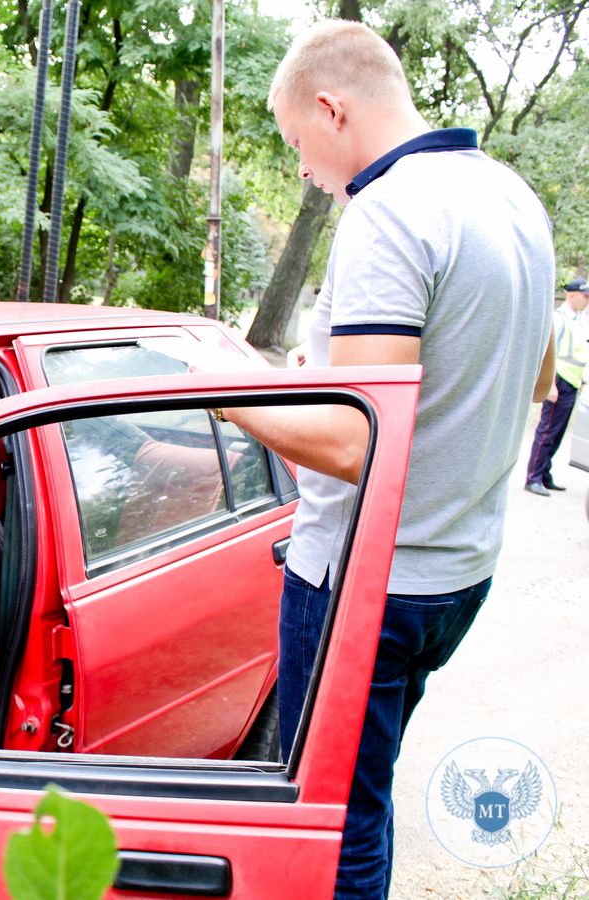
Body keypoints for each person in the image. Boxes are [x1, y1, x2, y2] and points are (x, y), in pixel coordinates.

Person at [192, 20, 556, 899]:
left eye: (297, 146)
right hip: (459, 571)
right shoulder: (511, 196)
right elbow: (535, 376)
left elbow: (360, 439)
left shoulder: (389, 211)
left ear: (331, 107)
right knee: (366, 787)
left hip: (367, 582)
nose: (305, 171)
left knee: (332, 823)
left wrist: (227, 385)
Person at [524, 278, 588, 495]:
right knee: (547, 431)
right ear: (571, 295)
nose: (587, 300)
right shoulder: (559, 319)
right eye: (585, 296)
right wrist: (550, 385)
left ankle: (544, 474)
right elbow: (547, 354)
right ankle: (533, 477)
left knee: (558, 433)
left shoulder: (579, 319)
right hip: (558, 383)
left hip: (571, 383)